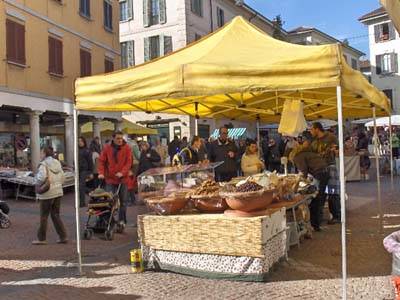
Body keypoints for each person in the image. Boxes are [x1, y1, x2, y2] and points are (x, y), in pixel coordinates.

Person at [291, 131, 328, 232]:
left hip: (320, 174)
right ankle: (316, 223)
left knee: (316, 197)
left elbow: (303, 172)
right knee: (318, 197)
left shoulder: (298, 157)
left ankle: (315, 225)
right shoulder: (305, 153)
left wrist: (298, 182)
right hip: (323, 172)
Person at [32, 146, 67, 245]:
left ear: (44, 153)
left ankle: (41, 238)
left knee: (44, 216)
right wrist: (58, 185)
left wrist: (35, 180)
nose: (40, 154)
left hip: (47, 193)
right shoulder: (57, 163)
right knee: (56, 215)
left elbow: (41, 177)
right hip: (58, 192)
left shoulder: (43, 164)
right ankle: (63, 236)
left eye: (41, 152)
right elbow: (63, 178)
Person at [98, 131, 132, 227]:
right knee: (110, 200)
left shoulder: (127, 148)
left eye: (121, 138)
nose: (120, 140)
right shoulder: (107, 148)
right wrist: (101, 173)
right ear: (113, 138)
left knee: (123, 201)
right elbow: (101, 161)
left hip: (123, 179)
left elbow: (129, 162)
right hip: (110, 179)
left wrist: (122, 172)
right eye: (118, 138)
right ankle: (110, 221)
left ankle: (122, 220)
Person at [310, 122, 340, 224]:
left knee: (333, 192)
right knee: (319, 193)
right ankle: (319, 216)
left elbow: (339, 149)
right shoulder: (314, 142)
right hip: (319, 169)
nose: (310, 132)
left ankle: (336, 216)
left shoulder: (330, 137)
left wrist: (335, 151)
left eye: (311, 129)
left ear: (317, 129)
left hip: (330, 166)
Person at [78, 137, 93, 207]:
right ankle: (91, 192)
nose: (80, 142)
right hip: (78, 171)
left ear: (84, 142)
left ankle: (82, 203)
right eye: (78, 141)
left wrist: (90, 172)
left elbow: (90, 162)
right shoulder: (77, 150)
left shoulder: (87, 150)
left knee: (81, 186)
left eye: (81, 141)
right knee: (80, 187)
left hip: (84, 170)